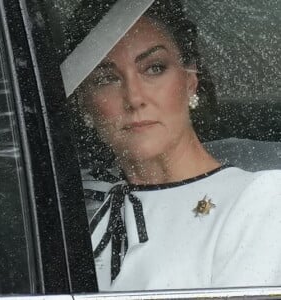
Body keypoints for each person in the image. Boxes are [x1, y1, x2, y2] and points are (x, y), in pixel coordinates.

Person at [68, 0, 281, 291]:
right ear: (84, 104)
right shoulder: (65, 205)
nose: (134, 97)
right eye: (106, 78)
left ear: (190, 81)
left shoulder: (261, 201)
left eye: (154, 68)